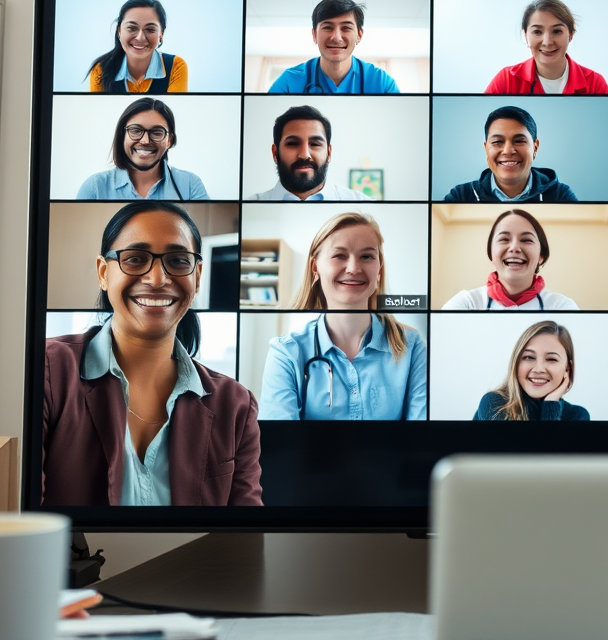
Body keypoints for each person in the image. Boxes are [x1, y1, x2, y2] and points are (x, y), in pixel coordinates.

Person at [41, 201, 262, 505]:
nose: (157, 280)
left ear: (197, 276)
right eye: (134, 258)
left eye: (178, 261)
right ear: (104, 273)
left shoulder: (235, 405)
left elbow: (244, 539)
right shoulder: (47, 370)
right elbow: (22, 518)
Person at [258, 212, 426, 420]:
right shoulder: (285, 354)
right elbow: (281, 446)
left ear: (379, 271)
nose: (354, 268)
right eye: (339, 255)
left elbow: (420, 441)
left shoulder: (413, 347)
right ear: (315, 268)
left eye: (367, 256)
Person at [442, 209, 579, 310]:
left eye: (526, 240)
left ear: (541, 256)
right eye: (504, 239)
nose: (514, 248)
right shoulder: (467, 303)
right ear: (491, 254)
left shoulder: (562, 306)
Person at [76, 98, 208, 200]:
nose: (145, 141)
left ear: (169, 140)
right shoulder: (95, 188)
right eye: (136, 130)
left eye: (157, 132)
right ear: (123, 136)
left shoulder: (190, 185)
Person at [267, 0, 400, 94]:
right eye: (327, 27)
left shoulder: (382, 83)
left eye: (346, 28)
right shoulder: (289, 81)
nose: (336, 37)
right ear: (314, 35)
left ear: (359, 35)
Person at [443, 106, 577, 202]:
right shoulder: (461, 195)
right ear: (486, 149)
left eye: (519, 141)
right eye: (497, 142)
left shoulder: (560, 194)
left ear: (535, 148)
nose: (508, 151)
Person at [484, 0, 608, 95]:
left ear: (571, 34)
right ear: (525, 35)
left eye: (556, 31)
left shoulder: (595, 83)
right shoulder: (506, 80)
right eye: (537, 32)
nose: (547, 42)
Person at [246, 105, 372, 201]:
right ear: (275, 153)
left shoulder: (361, 202)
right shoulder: (251, 203)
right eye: (292, 144)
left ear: (329, 153)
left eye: (315, 144)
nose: (305, 155)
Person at [473, 321, 588, 420]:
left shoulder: (577, 415)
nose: (539, 369)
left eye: (551, 359)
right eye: (529, 357)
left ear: (568, 368)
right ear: (516, 362)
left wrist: (551, 404)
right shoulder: (494, 403)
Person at [87, 0, 188, 93]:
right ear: (119, 31)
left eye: (150, 29)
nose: (140, 37)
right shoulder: (100, 70)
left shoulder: (176, 66)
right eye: (132, 28)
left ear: (161, 34)